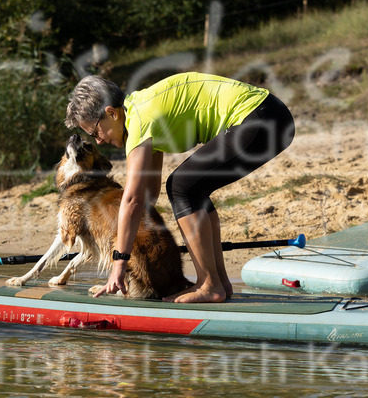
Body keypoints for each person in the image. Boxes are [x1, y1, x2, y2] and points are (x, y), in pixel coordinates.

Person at [64, 72, 295, 303]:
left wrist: (119, 262)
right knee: (191, 187)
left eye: (95, 132)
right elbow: (147, 197)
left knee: (182, 186)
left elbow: (133, 200)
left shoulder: (140, 121)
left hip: (260, 118)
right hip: (271, 115)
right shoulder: (141, 112)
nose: (98, 141)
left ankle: (209, 285)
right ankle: (219, 283)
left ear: (111, 113)